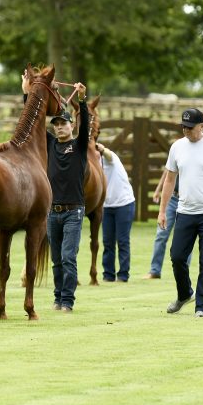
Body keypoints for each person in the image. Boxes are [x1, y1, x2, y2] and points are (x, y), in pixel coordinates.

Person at [156, 108, 203, 318]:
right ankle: (185, 294)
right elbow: (170, 180)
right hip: (185, 211)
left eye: (190, 128)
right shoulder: (177, 147)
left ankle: (202, 307)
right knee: (177, 256)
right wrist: (162, 211)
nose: (186, 131)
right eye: (184, 127)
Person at [38, 75, 89, 312]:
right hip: (52, 212)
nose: (59, 127)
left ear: (72, 126)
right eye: (56, 125)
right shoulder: (50, 144)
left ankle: (68, 301)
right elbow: (35, 121)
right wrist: (28, 94)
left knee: (69, 257)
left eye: (64, 124)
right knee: (56, 260)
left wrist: (83, 100)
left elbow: (86, 124)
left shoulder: (78, 146)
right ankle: (58, 298)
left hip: (73, 212)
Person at [97, 142, 135, 283]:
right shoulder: (95, 165)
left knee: (123, 241)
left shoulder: (110, 158)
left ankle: (123, 275)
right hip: (107, 206)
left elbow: (108, 154)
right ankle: (108, 275)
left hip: (124, 204)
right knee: (108, 242)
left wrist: (102, 149)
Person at [144, 176, 190, 280]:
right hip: (172, 198)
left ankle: (183, 273)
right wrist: (157, 190)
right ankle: (155, 271)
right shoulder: (174, 158)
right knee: (161, 235)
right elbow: (167, 173)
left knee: (187, 237)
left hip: (187, 200)